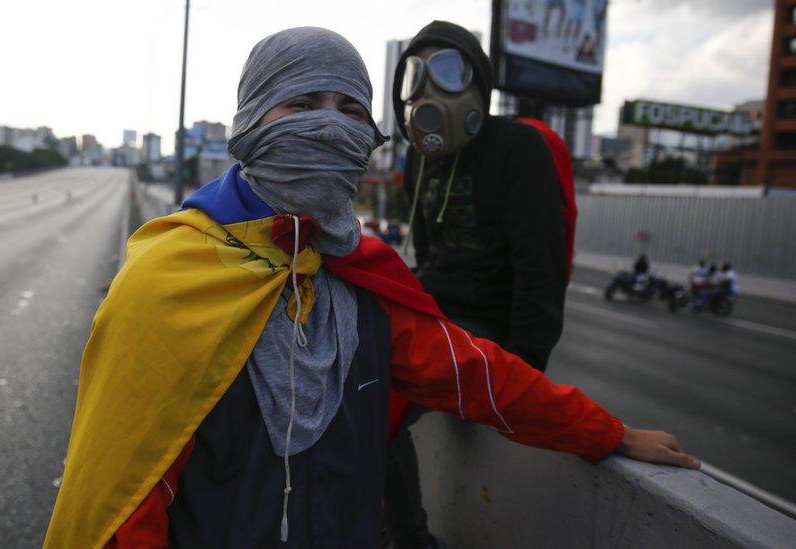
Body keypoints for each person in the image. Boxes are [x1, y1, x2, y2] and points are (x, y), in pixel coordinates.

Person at [43, 27, 698, 549]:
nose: (331, 126)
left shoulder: (363, 281)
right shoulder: (166, 285)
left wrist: (607, 432)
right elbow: (124, 507)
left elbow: (480, 375)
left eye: (351, 110)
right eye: (303, 103)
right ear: (250, 120)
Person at [388, 21, 574, 547]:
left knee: (377, 401)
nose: (427, 94)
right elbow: (427, 251)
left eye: (447, 72)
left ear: (479, 83)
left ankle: (411, 539)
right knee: (344, 372)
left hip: (482, 328)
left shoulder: (517, 149)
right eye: (415, 78)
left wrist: (524, 372)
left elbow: (541, 266)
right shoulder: (419, 158)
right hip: (437, 314)